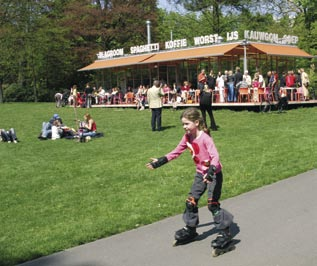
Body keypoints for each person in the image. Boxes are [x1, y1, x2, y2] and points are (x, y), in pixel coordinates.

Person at [146, 107, 233, 248]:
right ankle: (191, 229)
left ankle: (225, 232)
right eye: (183, 124)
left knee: (212, 204)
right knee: (190, 201)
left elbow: (215, 156)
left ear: (196, 122)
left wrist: (210, 172)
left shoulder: (205, 137)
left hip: (214, 175)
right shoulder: (187, 138)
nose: (184, 127)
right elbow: (176, 152)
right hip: (200, 174)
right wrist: (160, 161)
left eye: (186, 124)